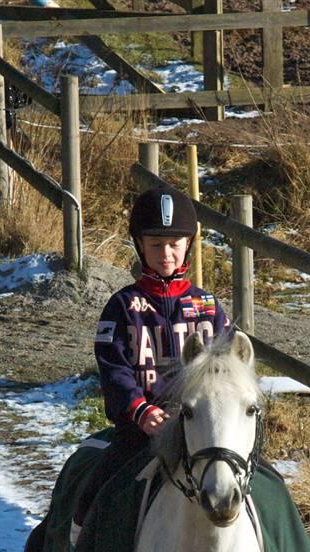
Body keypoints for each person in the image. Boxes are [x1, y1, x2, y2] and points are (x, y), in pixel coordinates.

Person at [72, 184, 231, 527]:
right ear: (140, 246)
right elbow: (114, 368)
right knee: (93, 499)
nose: (166, 254)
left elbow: (229, 372)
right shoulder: (122, 307)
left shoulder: (208, 308)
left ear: (188, 246)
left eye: (174, 244)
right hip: (141, 435)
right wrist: (139, 411)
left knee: (269, 490)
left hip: (203, 433)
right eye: (156, 245)